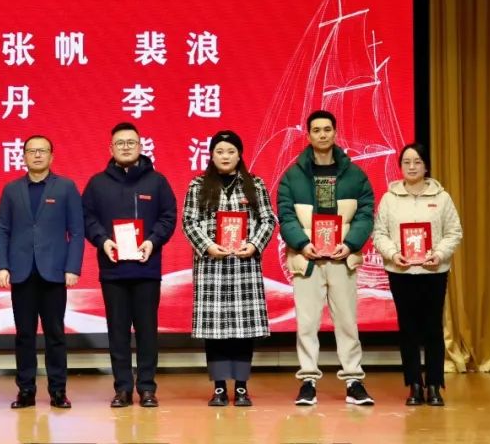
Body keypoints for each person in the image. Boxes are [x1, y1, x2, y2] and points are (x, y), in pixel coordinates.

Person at [277, 110, 375, 406]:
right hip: (307, 259)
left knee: (347, 322)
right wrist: (302, 244)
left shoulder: (355, 175)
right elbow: (285, 215)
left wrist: (351, 243)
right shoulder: (293, 176)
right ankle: (308, 381)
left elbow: (366, 213)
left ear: (335, 133)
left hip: (342, 258)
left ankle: (354, 381)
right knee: (306, 323)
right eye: (316, 130)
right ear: (308, 135)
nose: (322, 134)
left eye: (327, 129)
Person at [83, 122, 177, 408]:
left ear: (140, 146)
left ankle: (147, 387)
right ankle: (122, 388)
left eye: (131, 142)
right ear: (111, 148)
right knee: (118, 332)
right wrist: (102, 241)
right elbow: (87, 218)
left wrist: (152, 241)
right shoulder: (97, 184)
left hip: (147, 268)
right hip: (113, 271)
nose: (125, 147)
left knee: (147, 331)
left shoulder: (157, 181)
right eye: (120, 143)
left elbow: (168, 216)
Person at [181, 131, 276, 407]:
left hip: (244, 266)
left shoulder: (255, 184)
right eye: (220, 151)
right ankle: (220, 387)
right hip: (212, 266)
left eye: (230, 151)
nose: (225, 156)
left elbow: (268, 220)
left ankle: (242, 387)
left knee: (243, 331)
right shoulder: (198, 185)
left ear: (239, 155)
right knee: (216, 331)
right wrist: (208, 246)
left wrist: (254, 244)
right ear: (211, 155)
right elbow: (189, 222)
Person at [0, 134, 84, 410]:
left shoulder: (66, 187)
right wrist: (1, 265)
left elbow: (77, 231)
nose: (37, 155)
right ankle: (26, 390)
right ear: (23, 156)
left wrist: (72, 267)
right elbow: (2, 229)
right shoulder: (12, 189)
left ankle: (58, 390)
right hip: (21, 272)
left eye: (42, 151)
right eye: (31, 151)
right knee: (24, 335)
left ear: (51, 156)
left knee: (55, 334)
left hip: (54, 272)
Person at [373, 143, 463, 406]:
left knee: (433, 328)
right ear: (400, 166)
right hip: (400, 272)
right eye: (406, 162)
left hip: (433, 271)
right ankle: (414, 385)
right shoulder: (389, 198)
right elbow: (379, 233)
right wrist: (393, 254)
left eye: (417, 162)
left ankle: (434, 385)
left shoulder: (442, 198)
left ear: (426, 166)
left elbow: (454, 232)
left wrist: (440, 254)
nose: (412, 167)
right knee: (408, 329)